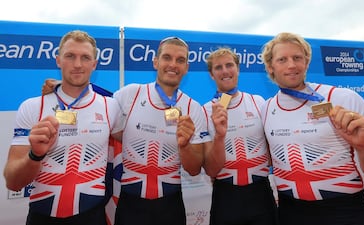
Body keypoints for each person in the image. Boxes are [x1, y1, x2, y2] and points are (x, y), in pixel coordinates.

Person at [260, 32, 364, 225]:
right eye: (282, 59)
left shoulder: (343, 98)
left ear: (307, 62)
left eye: (297, 58)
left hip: (344, 211)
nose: (291, 65)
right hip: (290, 212)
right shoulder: (266, 109)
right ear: (270, 67)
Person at [3, 30, 123, 225]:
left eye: (85, 58)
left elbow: (137, 139)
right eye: (70, 56)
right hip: (42, 218)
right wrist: (35, 155)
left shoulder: (111, 106)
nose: (77, 64)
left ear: (94, 64)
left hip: (93, 217)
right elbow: (13, 182)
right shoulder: (33, 107)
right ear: (58, 60)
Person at [112, 36, 210, 225]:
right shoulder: (130, 94)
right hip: (130, 205)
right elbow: (92, 108)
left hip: (170, 206)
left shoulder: (193, 107)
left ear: (186, 68)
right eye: (167, 58)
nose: (173, 64)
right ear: (156, 62)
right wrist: (59, 91)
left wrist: (185, 145)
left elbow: (194, 169)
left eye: (180, 60)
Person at [202, 47, 278, 225]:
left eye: (229, 65)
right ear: (212, 75)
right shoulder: (205, 110)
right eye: (218, 67)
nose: (225, 71)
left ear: (238, 69)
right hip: (225, 196)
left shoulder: (257, 102)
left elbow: (272, 148)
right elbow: (210, 170)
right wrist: (219, 138)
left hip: (261, 192)